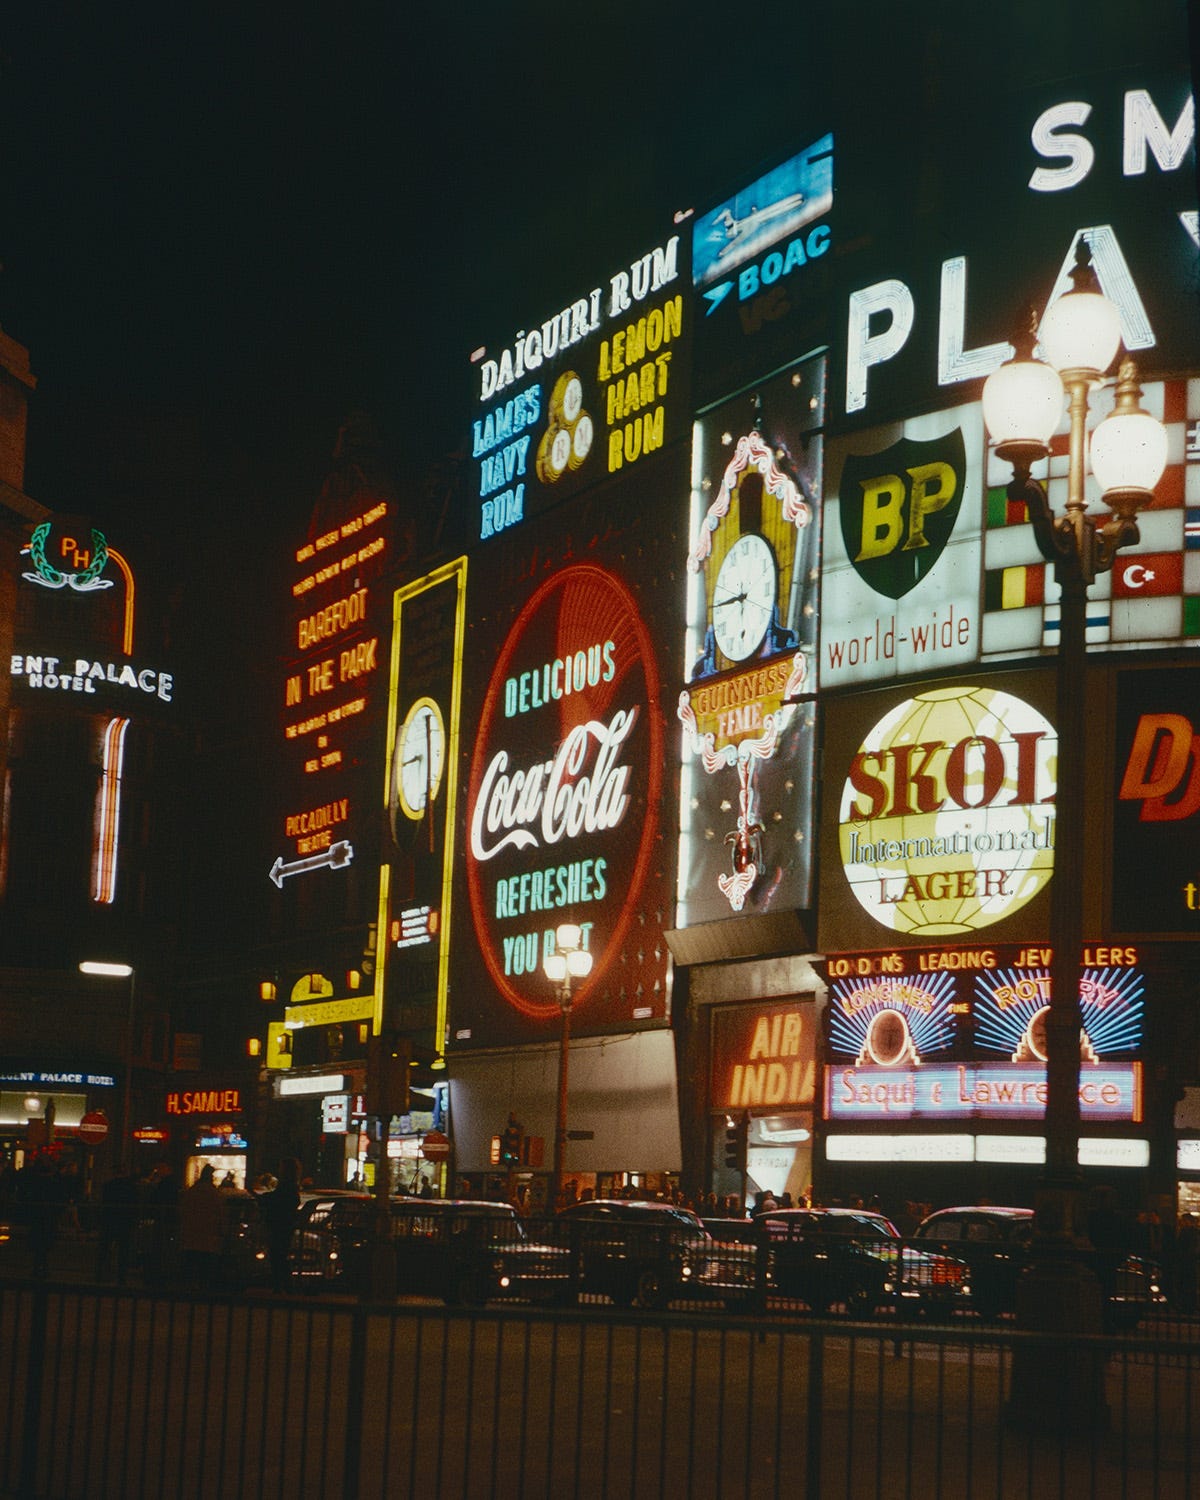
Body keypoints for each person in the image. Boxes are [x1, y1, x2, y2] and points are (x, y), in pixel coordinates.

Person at [179, 1164, 226, 1290]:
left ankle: (189, 1286)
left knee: (192, 1261)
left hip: (192, 1232)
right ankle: (205, 1287)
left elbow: (184, 1210)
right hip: (208, 1233)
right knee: (206, 1264)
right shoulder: (214, 1193)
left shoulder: (192, 1191)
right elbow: (220, 1212)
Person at [259, 1158, 301, 1292]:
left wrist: (263, 1198)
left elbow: (276, 1199)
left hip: (279, 1224)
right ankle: (285, 1284)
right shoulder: (292, 1186)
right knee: (280, 1255)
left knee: (277, 1255)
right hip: (285, 1224)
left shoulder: (285, 1186)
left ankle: (281, 1284)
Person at [96, 1162, 139, 1285]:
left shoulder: (108, 1186)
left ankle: (100, 1273)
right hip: (124, 1221)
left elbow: (103, 1202)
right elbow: (135, 1203)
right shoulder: (130, 1187)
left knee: (104, 1248)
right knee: (123, 1250)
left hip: (109, 1220)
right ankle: (121, 1276)